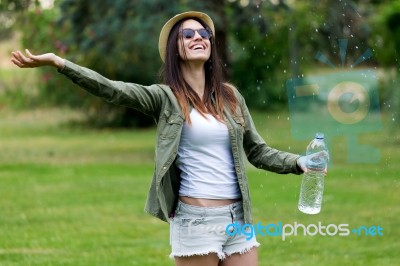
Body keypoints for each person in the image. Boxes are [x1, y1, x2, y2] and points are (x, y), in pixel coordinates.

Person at [11, 11, 315, 266]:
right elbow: (113, 89)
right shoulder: (164, 98)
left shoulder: (230, 97)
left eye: (203, 33)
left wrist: (298, 162)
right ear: (175, 48)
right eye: (188, 35)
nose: (198, 37)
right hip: (196, 219)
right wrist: (61, 64)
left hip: (239, 217)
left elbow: (258, 151)